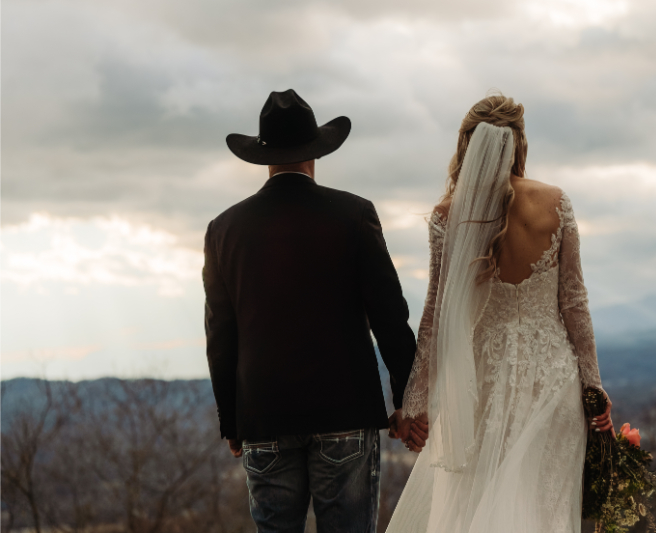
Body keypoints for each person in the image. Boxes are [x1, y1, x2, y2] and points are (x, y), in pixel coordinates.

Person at [387, 94, 614, 533]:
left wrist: (413, 403)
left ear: (466, 145)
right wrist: (593, 387)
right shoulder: (556, 202)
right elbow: (575, 303)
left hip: (480, 385)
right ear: (518, 143)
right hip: (552, 382)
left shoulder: (447, 216)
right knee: (541, 512)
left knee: (476, 509)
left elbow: (434, 315)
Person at [203, 89, 421, 533]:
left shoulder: (224, 230)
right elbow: (389, 316)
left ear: (263, 157)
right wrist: (407, 400)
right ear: (316, 154)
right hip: (346, 411)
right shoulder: (354, 214)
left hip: (263, 416)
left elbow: (220, 336)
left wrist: (232, 420)